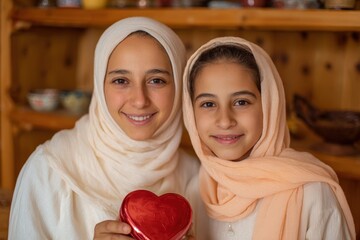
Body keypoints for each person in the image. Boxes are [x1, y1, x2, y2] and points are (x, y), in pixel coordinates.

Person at [9, 17, 209, 239]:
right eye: (121, 81)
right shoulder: (49, 169)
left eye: (156, 80)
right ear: (100, 85)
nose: (140, 100)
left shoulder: (196, 178)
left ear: (179, 86)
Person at [182, 36, 356, 239]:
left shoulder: (312, 192)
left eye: (241, 102)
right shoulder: (195, 190)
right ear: (190, 111)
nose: (225, 120)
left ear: (269, 105)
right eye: (208, 104)